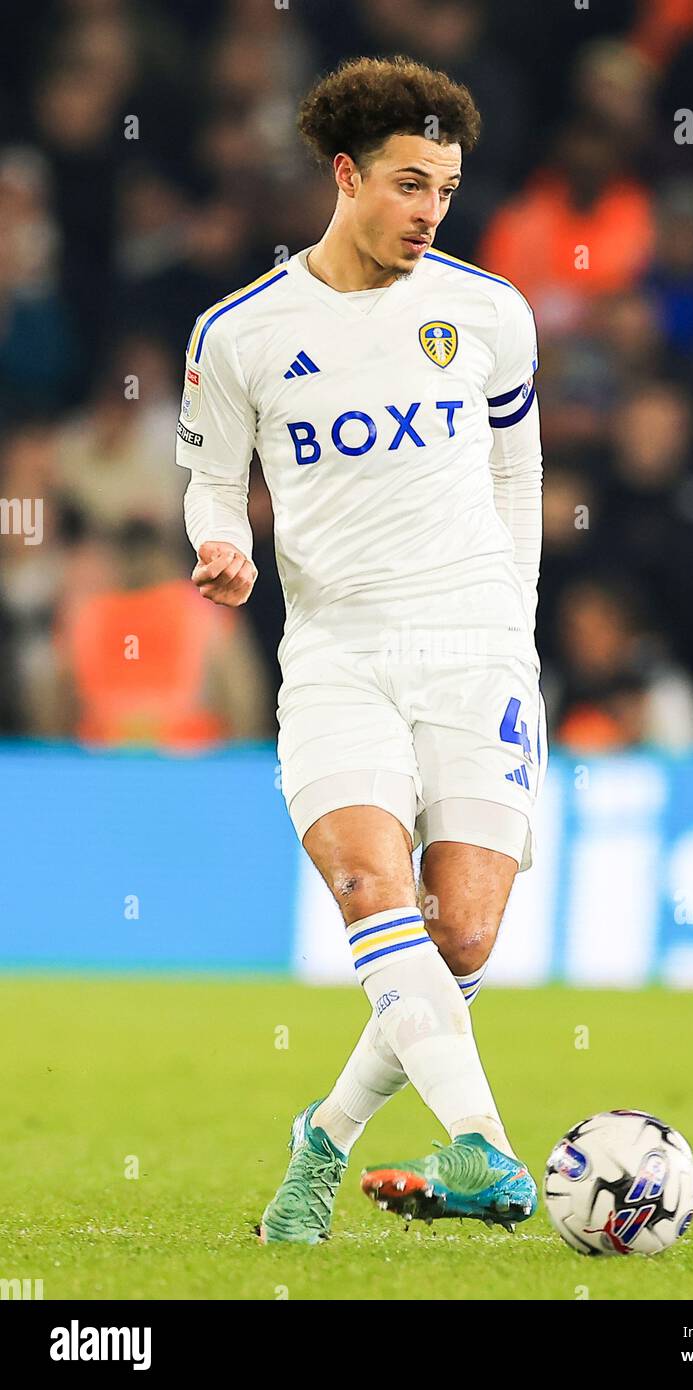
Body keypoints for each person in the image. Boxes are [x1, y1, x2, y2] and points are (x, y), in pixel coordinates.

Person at [175, 56, 546, 1243]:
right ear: (344, 175)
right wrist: (226, 546)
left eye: (443, 186)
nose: (429, 209)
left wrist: (514, 616)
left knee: (468, 932)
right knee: (368, 890)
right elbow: (208, 484)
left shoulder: (488, 311)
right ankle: (481, 1143)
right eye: (406, 183)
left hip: (474, 641)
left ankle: (321, 1138)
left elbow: (517, 472)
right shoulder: (239, 333)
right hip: (334, 652)